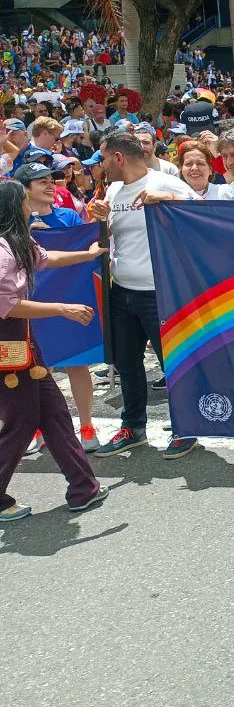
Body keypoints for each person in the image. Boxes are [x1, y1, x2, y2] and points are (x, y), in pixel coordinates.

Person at [0, 181, 109, 521]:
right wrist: (62, 308)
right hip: (7, 341)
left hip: (25, 343)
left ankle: (83, 487)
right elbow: (7, 305)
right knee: (21, 420)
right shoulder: (2, 250)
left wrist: (89, 254)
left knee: (54, 413)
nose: (30, 202)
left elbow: (48, 259)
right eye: (24, 198)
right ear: (14, 205)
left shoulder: (17, 241)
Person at [88, 130, 199, 458]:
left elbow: (204, 211)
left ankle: (186, 426)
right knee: (128, 363)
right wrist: (101, 218)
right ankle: (133, 426)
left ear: (119, 158)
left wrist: (167, 200)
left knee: (172, 363)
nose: (101, 164)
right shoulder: (114, 188)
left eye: (104, 157)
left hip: (159, 293)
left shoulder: (165, 182)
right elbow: (115, 236)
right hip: (121, 293)